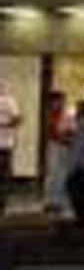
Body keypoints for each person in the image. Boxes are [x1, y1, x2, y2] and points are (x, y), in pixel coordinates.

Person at [44, 91, 74, 215]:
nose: (59, 103)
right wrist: (61, 137)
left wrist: (67, 138)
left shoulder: (67, 114)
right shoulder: (50, 114)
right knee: (53, 174)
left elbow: (71, 130)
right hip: (55, 145)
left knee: (62, 175)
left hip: (65, 146)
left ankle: (59, 202)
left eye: (61, 101)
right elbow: (52, 131)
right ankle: (51, 201)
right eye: (56, 101)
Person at [0, 79, 22, 217]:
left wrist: (5, 124)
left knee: (3, 175)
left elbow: (18, 119)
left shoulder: (9, 101)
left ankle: (2, 204)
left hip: (5, 144)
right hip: (5, 143)